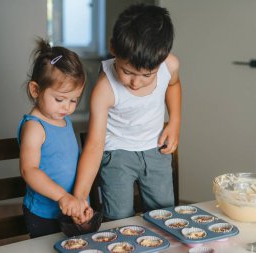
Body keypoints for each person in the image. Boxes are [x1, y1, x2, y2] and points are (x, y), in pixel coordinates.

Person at [72, 4, 182, 222]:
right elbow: (94, 145)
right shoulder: (104, 90)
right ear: (113, 48)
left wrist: (175, 121)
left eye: (146, 75)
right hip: (117, 155)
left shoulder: (169, 65)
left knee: (165, 215)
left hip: (155, 149)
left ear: (161, 59)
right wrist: (80, 196)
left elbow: (173, 85)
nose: (135, 82)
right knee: (119, 219)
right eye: (127, 71)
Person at [17, 38, 91, 238]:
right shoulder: (35, 127)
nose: (67, 107)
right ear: (35, 90)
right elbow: (28, 169)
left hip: (69, 207)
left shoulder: (64, 119)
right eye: (59, 99)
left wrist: (78, 201)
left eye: (74, 100)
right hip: (43, 214)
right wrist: (62, 197)